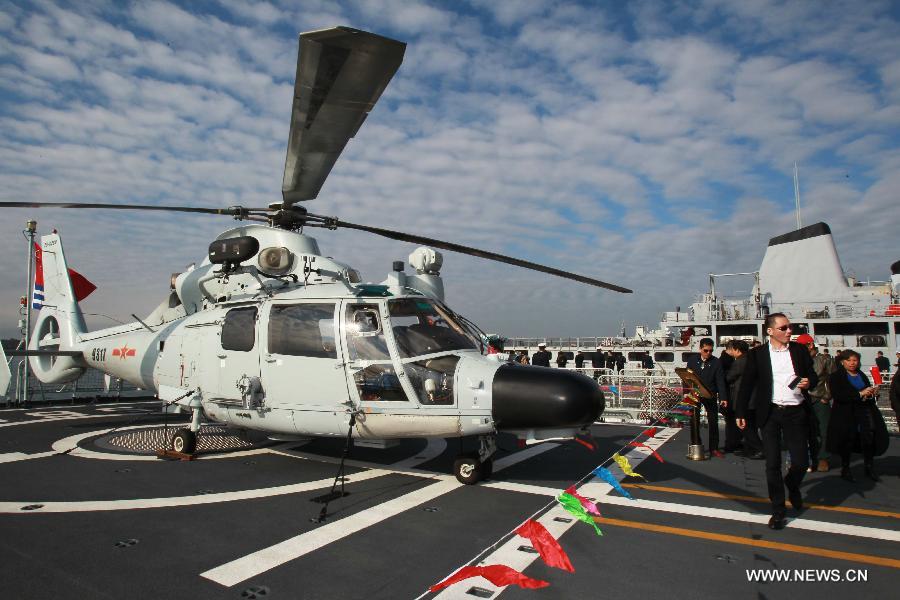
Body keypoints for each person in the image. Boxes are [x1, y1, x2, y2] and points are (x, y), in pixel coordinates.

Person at [736, 313, 817, 531]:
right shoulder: (758, 355)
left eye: (790, 327)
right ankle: (778, 511)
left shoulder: (799, 351)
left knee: (800, 462)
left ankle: (792, 483)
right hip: (770, 413)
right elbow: (747, 384)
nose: (789, 331)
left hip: (796, 412)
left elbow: (812, 375)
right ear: (770, 331)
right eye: (784, 328)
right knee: (772, 464)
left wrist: (809, 382)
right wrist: (740, 412)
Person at [827, 349, 889, 483]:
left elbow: (866, 390)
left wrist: (872, 392)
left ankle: (869, 467)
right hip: (846, 413)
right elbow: (838, 395)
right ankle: (846, 468)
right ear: (842, 362)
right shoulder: (836, 376)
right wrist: (860, 394)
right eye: (848, 360)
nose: (852, 363)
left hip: (864, 411)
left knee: (868, 438)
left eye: (855, 360)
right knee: (847, 440)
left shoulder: (861, 374)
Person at [686, 337, 729, 458]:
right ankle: (696, 445)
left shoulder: (716, 362)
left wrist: (723, 398)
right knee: (694, 420)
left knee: (713, 421)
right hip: (695, 394)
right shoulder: (692, 361)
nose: (708, 353)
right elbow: (686, 376)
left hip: (710, 395)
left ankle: (714, 448)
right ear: (700, 349)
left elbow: (720, 381)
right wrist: (687, 391)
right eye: (706, 350)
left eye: (711, 351)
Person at [797, 333, 833, 472]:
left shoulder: (825, 360)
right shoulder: (798, 360)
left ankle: (823, 458)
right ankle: (808, 458)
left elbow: (832, 379)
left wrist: (827, 397)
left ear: (810, 345)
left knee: (824, 429)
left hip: (819, 398)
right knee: (804, 430)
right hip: (802, 399)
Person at [723, 340, 754, 454]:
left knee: (743, 424)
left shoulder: (740, 362)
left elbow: (729, 377)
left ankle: (755, 447)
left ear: (736, 350)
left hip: (740, 396)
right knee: (749, 424)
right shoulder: (751, 359)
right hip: (750, 398)